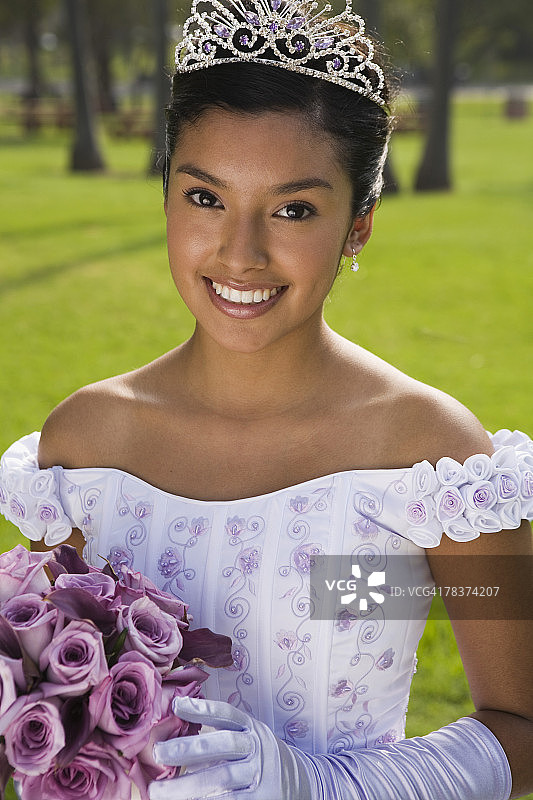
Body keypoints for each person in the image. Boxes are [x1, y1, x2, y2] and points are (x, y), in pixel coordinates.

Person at [1, 0, 532, 798]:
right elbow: (48, 705)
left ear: (358, 225)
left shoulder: (429, 459)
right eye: (205, 198)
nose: (240, 253)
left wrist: (321, 784)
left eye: (293, 209)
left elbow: (522, 725)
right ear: (166, 196)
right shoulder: (86, 446)